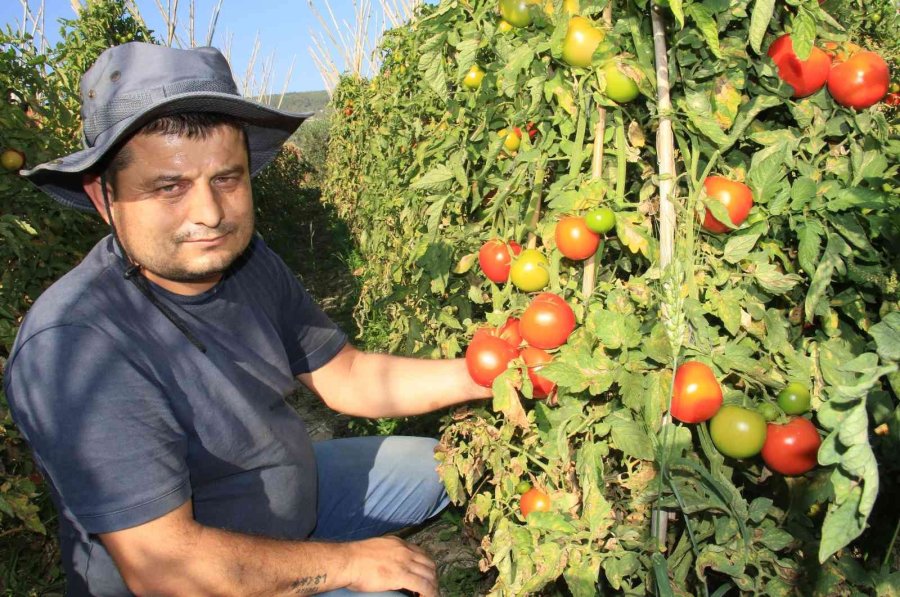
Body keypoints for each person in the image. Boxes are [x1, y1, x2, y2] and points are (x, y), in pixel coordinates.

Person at [4, 42, 491, 596]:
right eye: (169, 187)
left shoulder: (248, 259)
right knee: (386, 589)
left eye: (226, 179)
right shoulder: (76, 347)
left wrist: (485, 372)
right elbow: (164, 568)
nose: (209, 214)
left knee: (441, 466)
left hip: (284, 498)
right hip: (193, 574)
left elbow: (346, 375)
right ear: (103, 196)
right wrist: (350, 564)